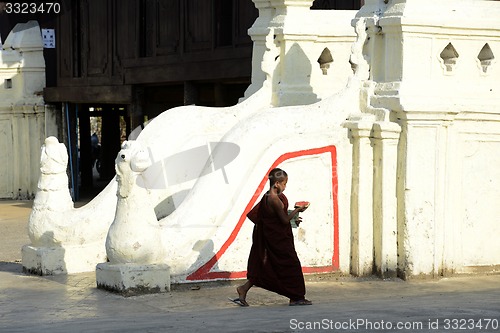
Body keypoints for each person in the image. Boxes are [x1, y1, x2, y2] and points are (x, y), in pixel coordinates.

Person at [232, 168, 312, 306]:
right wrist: (298, 210)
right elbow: (284, 221)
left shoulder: (268, 196)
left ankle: (243, 288)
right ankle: (296, 297)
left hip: (274, 237)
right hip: (276, 240)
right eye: (284, 184)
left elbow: (276, 217)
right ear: (276, 184)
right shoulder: (274, 199)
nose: (285, 187)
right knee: (291, 265)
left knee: (267, 266)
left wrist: (294, 219)